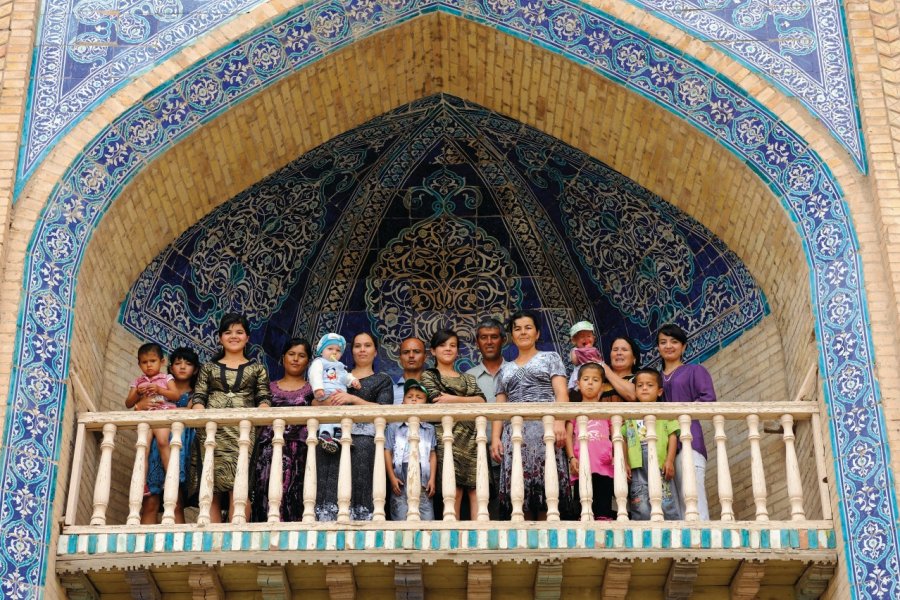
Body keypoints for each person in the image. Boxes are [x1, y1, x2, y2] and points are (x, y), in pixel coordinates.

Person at [490, 310, 572, 520]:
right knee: (519, 494)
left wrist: (560, 422)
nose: (523, 332)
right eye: (517, 329)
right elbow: (501, 406)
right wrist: (495, 438)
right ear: (511, 335)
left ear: (537, 333)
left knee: (547, 491)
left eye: (528, 328)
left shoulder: (550, 358)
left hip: (545, 431)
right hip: (515, 436)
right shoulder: (504, 370)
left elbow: (561, 393)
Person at [190, 313, 272, 522]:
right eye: (228, 332)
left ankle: (238, 530)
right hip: (211, 431)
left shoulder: (257, 368)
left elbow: (264, 396)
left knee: (240, 483)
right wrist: (200, 411)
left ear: (247, 338)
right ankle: (213, 536)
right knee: (212, 485)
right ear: (219, 338)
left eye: (239, 332)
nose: (233, 336)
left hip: (242, 432)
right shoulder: (208, 368)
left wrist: (263, 408)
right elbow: (199, 395)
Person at [313, 332, 393, 521]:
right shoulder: (335, 374)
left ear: (375, 352)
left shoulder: (382, 380)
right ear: (351, 351)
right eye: (357, 346)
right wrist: (330, 401)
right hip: (331, 438)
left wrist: (353, 399)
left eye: (367, 345)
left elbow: (385, 411)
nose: (362, 350)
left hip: (363, 441)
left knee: (359, 483)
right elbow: (315, 403)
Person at [420, 329, 486, 520]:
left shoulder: (468, 378)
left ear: (458, 351)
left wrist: (452, 399)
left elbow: (482, 401)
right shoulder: (429, 376)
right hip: (446, 437)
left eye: (453, 345)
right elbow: (436, 399)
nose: (448, 349)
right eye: (442, 345)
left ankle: (479, 537)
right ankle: (452, 536)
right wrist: (465, 399)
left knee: (477, 488)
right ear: (433, 351)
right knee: (453, 489)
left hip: (473, 437)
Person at [250, 337, 313, 522]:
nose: (295, 359)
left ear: (308, 361)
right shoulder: (267, 389)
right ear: (283, 358)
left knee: (295, 494)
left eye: (301, 356)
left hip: (299, 452)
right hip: (268, 451)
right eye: (291, 354)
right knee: (265, 492)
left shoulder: (313, 390)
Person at [657, 323, 716, 520]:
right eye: (663, 342)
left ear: (683, 347)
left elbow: (708, 399)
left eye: (674, 341)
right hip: (663, 445)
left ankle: (703, 543)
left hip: (688, 439)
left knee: (692, 496)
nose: (668, 346)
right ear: (658, 347)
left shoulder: (694, 371)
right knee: (671, 500)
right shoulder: (655, 379)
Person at [141, 346, 200, 524]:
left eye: (188, 363)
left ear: (195, 369)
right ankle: (143, 548)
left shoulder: (196, 394)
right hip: (156, 448)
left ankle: (180, 549)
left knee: (175, 499)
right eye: (178, 363)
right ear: (170, 367)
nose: (182, 367)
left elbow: (192, 413)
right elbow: (141, 406)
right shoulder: (160, 388)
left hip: (181, 447)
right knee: (150, 500)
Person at [623, 367, 682, 520]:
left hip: (659, 460)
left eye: (649, 385)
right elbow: (622, 438)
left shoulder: (664, 412)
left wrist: (669, 460)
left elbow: (673, 436)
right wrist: (625, 462)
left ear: (659, 391)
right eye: (640, 385)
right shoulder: (630, 415)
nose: (644, 388)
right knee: (640, 498)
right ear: (635, 390)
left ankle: (671, 530)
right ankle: (644, 531)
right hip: (637, 463)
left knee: (665, 497)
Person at [125, 342, 181, 496]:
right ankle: (142, 484)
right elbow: (128, 403)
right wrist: (137, 392)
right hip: (145, 417)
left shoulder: (166, 377)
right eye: (144, 362)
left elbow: (175, 395)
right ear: (139, 364)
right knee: (143, 447)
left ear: (162, 362)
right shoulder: (137, 382)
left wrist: (159, 389)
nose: (148, 365)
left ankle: (170, 479)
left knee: (163, 442)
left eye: (152, 361)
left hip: (162, 414)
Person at [465, 317, 506, 519]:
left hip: (511, 451)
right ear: (477, 343)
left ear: (503, 340)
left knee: (513, 510)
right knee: (485, 512)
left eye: (494, 337)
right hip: (479, 454)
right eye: (484, 338)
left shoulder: (513, 371)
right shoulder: (468, 376)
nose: (489, 342)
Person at [565, 363, 615, 520]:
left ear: (602, 386)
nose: (590, 383)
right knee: (584, 511)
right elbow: (568, 436)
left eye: (595, 380)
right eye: (586, 379)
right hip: (582, 467)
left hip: (605, 466)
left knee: (603, 511)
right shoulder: (574, 410)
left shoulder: (606, 411)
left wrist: (616, 456)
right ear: (578, 384)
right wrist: (572, 457)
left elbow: (615, 436)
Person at [384, 379, 438, 520]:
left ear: (426, 405)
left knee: (426, 514)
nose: (414, 399)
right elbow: (387, 451)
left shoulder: (429, 429)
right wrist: (391, 477)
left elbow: (432, 455)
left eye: (419, 397)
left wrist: (432, 478)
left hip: (423, 473)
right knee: (400, 512)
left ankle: (426, 540)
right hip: (400, 474)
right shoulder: (394, 426)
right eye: (409, 397)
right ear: (402, 402)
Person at [309, 333, 361, 453]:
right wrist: (318, 389)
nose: (334, 352)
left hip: (339, 397)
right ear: (322, 351)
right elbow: (314, 375)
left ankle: (338, 434)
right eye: (330, 349)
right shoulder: (320, 362)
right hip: (325, 394)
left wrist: (353, 381)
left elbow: (346, 376)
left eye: (338, 350)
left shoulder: (340, 366)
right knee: (328, 416)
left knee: (339, 416)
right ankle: (325, 433)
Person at [598, 337, 639, 402]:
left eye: (624, 350)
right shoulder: (599, 381)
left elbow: (632, 395)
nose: (619, 353)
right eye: (615, 350)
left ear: (634, 358)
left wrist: (606, 369)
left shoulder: (639, 379)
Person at [393, 337, 427, 405]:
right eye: (406, 352)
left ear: (425, 358)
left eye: (417, 351)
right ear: (400, 358)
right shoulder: (390, 391)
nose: (411, 355)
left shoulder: (433, 388)